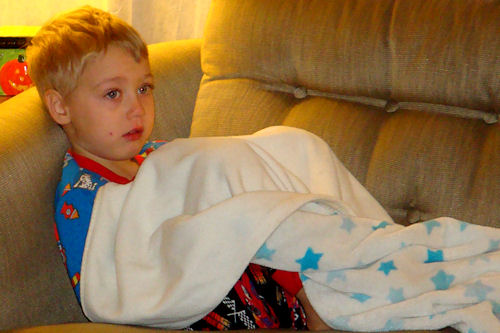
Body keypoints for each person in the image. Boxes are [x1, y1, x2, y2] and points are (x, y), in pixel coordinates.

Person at [26, 6, 327, 330]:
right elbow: (116, 284)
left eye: (144, 88)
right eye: (113, 93)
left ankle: (314, 299)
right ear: (60, 107)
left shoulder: (162, 156)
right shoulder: (86, 198)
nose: (136, 109)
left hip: (270, 292)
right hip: (203, 312)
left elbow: (239, 204)